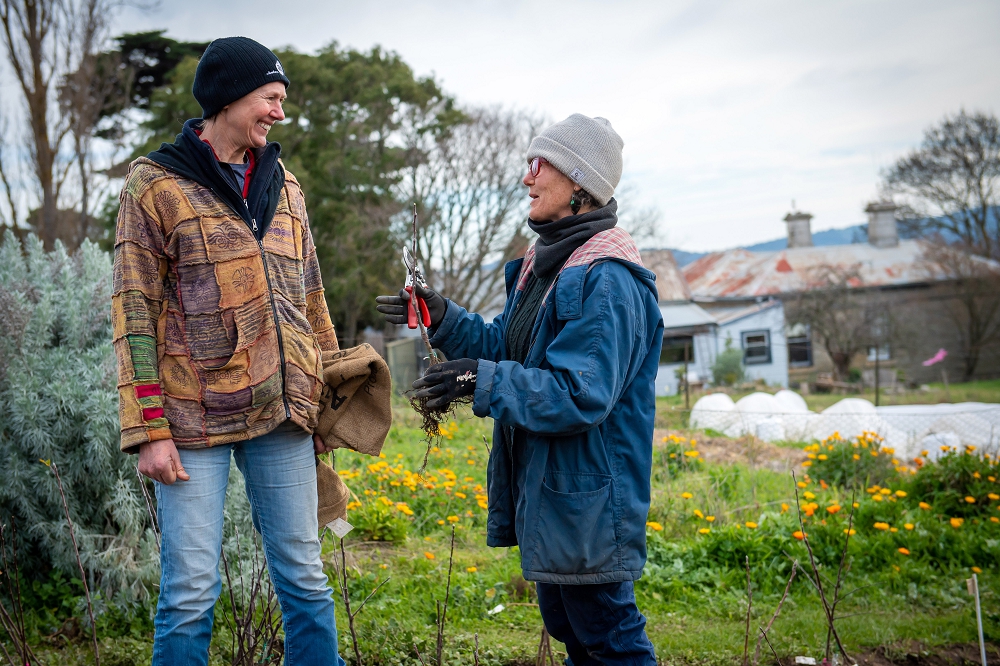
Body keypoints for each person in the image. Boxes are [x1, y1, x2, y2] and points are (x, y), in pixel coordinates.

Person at [377, 114, 664, 665]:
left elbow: (577, 393)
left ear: (579, 183)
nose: (526, 179)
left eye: (537, 166)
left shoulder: (607, 278)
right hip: (555, 493)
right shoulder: (548, 263)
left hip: (591, 499)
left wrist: (475, 380)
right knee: (573, 629)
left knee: (608, 637)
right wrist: (442, 317)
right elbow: (510, 348)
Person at [112, 36, 346, 666]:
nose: (279, 112)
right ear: (229, 98)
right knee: (190, 591)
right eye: (271, 98)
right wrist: (148, 430)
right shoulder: (154, 187)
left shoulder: (286, 186)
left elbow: (311, 295)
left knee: (304, 577)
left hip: (281, 413)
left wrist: (328, 394)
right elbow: (134, 315)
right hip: (191, 421)